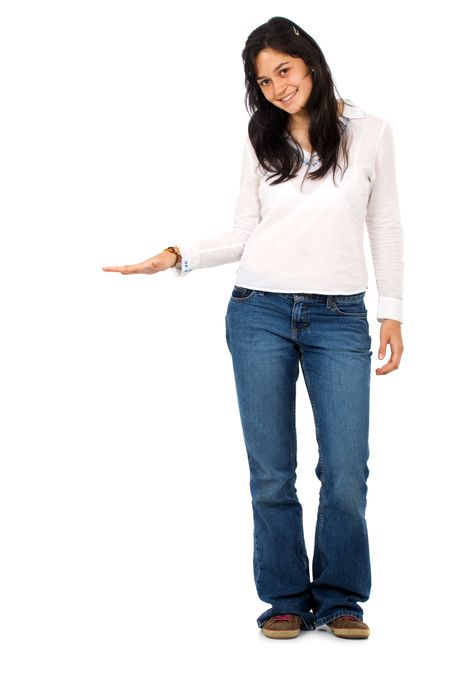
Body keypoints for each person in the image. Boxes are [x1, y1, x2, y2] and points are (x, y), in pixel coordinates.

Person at [103, 16, 404, 640]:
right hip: (258, 310)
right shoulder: (260, 135)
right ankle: (287, 598)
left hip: (340, 317)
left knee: (347, 468)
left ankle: (343, 597)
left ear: (310, 64)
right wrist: (177, 254)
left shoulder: (370, 133)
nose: (276, 88)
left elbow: (386, 227)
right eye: (263, 80)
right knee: (271, 470)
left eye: (283, 72)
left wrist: (393, 309)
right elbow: (244, 231)